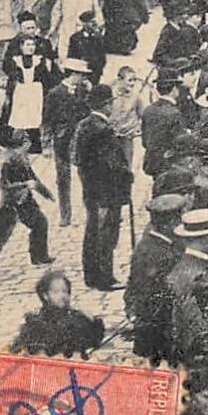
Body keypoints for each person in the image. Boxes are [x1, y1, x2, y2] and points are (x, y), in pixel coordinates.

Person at [72, 84, 132, 292]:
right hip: (107, 192)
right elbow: (114, 165)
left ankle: (92, 275)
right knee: (106, 236)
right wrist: (127, 175)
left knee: (92, 233)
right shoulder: (104, 130)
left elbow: (76, 158)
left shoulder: (84, 125)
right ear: (106, 105)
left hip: (90, 190)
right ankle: (106, 277)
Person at [0, 126, 53, 278]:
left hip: (25, 200)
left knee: (40, 223)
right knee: (0, 235)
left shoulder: (22, 158)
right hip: (11, 203)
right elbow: (5, 186)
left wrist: (45, 193)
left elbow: (33, 177)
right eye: (26, 143)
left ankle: (39, 256)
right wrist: (25, 185)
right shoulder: (9, 161)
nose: (29, 145)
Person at [11, 269, 105, 356]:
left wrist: (93, 322)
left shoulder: (77, 316)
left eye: (65, 291)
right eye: (56, 292)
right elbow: (21, 347)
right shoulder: (37, 322)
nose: (62, 296)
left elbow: (94, 341)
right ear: (45, 296)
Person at [43, 57, 92, 226]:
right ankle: (65, 214)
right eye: (82, 75)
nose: (84, 78)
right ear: (74, 74)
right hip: (62, 140)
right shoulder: (55, 93)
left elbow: (88, 114)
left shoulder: (83, 91)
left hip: (81, 140)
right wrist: (46, 145)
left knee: (86, 175)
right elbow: (47, 120)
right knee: (63, 178)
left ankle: (90, 211)